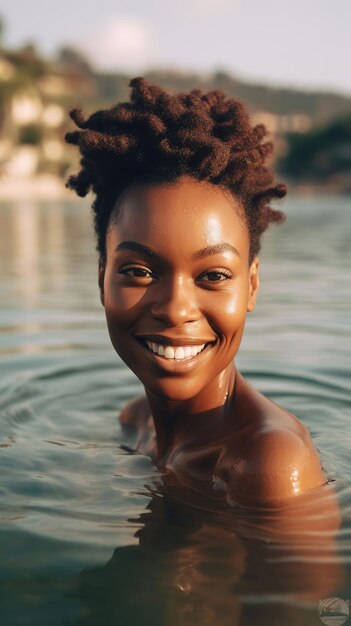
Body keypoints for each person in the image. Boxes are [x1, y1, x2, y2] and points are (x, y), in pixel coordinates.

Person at [65, 76, 328, 507]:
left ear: (252, 286)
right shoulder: (136, 420)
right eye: (138, 271)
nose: (174, 309)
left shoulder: (270, 465)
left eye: (213, 276)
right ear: (101, 279)